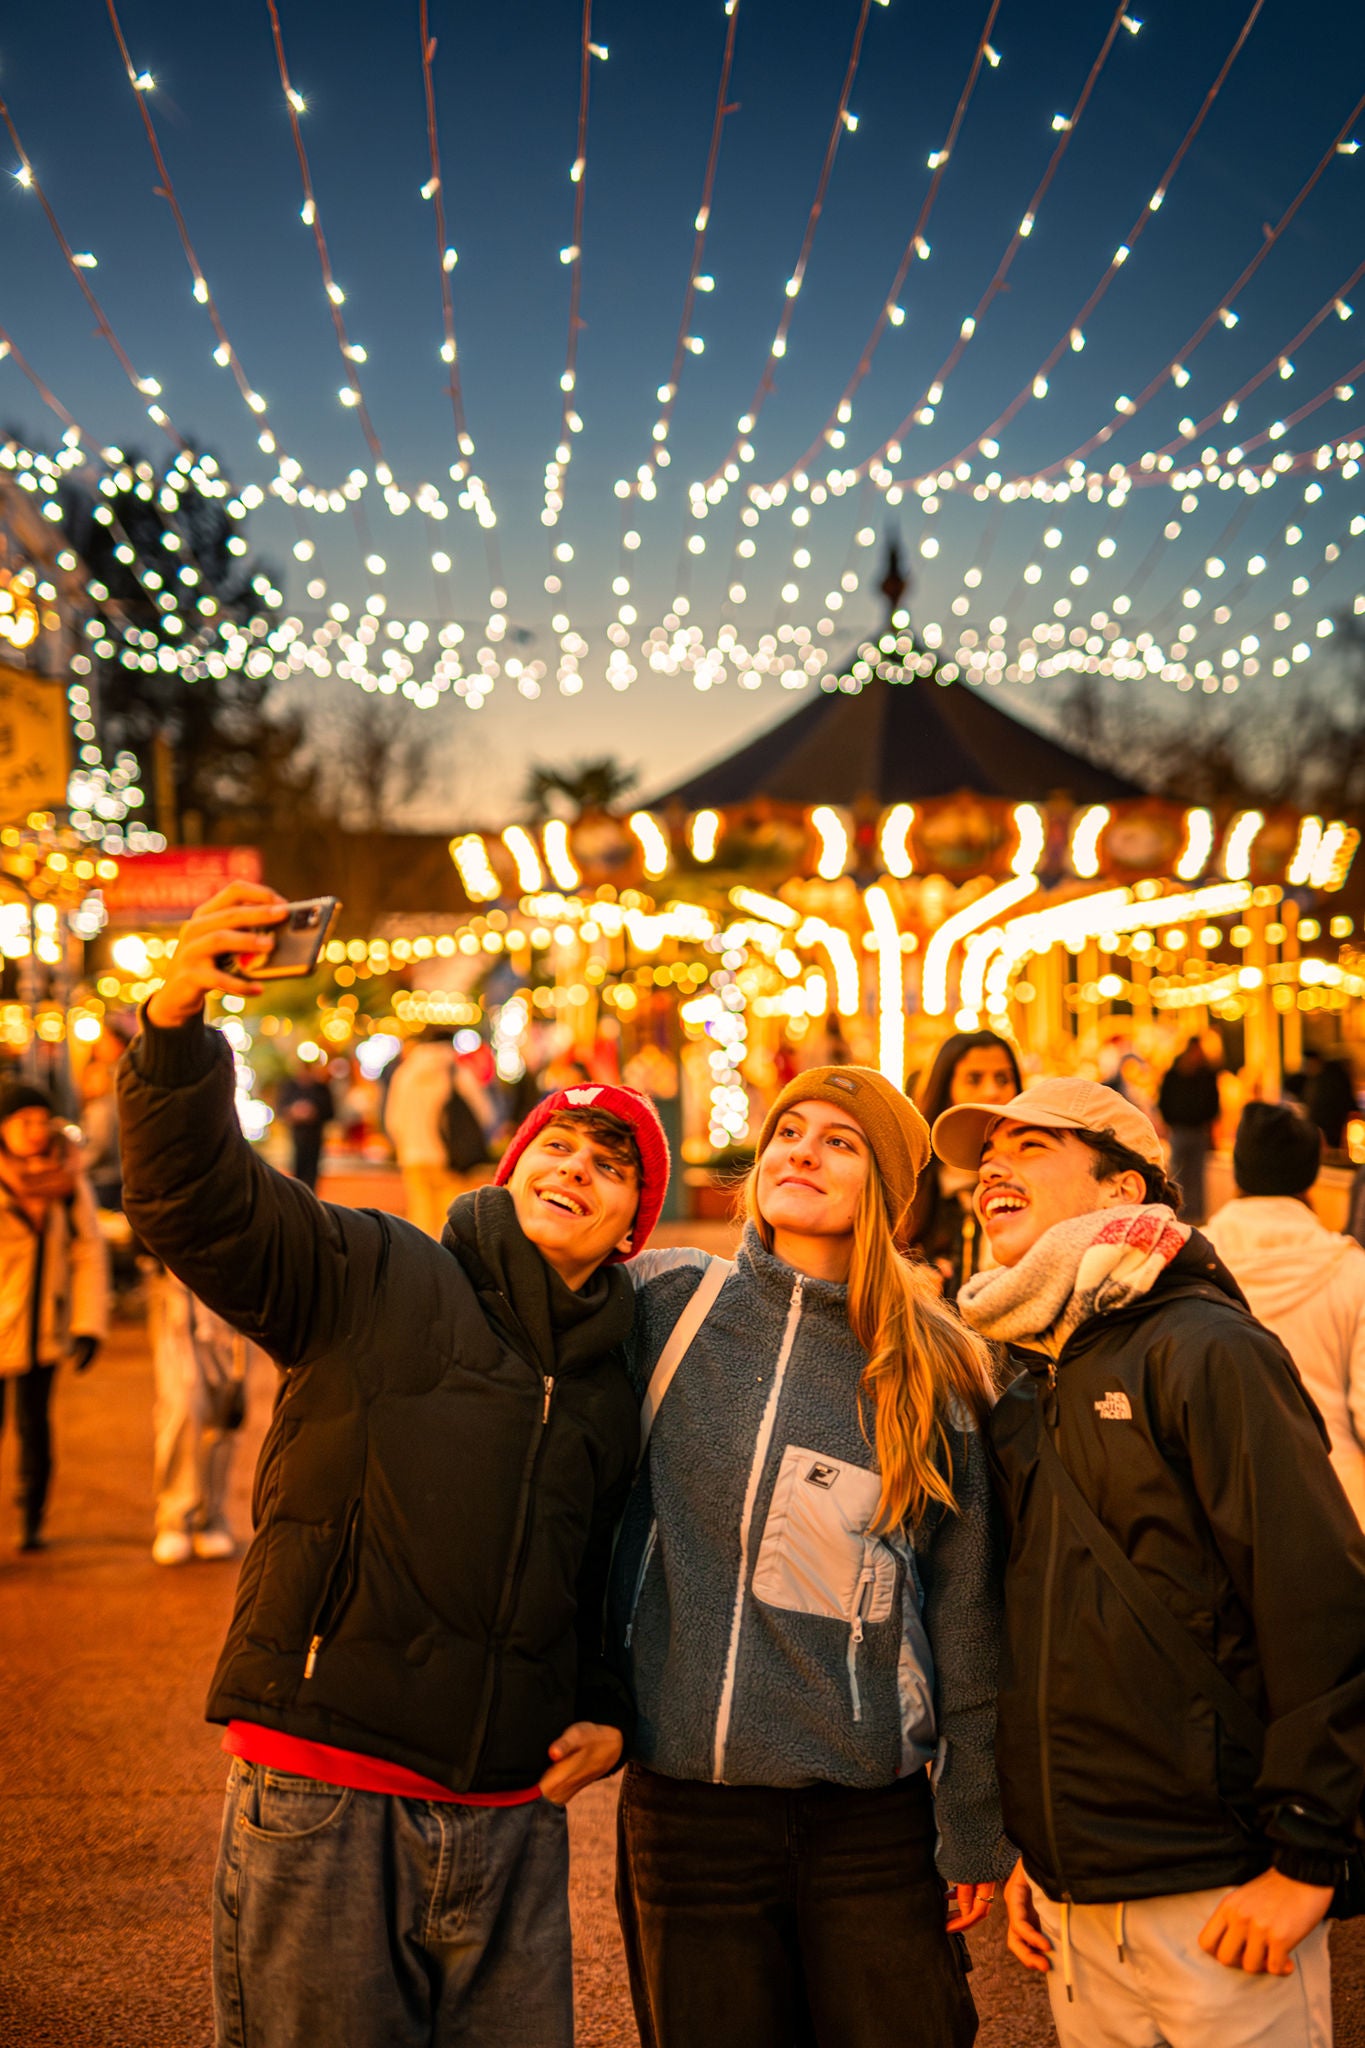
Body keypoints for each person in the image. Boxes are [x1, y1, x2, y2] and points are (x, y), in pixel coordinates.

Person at [117, 881, 671, 2048]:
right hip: (325, 1781)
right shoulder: (372, 1266)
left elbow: (595, 1579)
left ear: (633, 1223)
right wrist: (172, 1022)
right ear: (514, 1166)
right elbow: (192, 1204)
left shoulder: (617, 1385)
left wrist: (605, 1709)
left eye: (611, 1163)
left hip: (510, 1812)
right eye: (557, 1142)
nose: (576, 1163)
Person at [930, 1077, 1365, 2048]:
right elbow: (1031, 1637)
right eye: (987, 1153)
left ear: (1122, 1185)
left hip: (1221, 1891)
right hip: (1079, 1898)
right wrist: (1039, 1856)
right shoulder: (1028, 1377)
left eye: (1032, 1144)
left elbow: (1319, 1597)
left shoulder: (1204, 1345)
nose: (993, 1165)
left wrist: (1307, 1858)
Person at [612, 1066, 1014, 2048]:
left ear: (886, 1187)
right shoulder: (668, 1301)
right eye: (789, 1129)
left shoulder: (942, 1364)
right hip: (688, 1810)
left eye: (839, 1140)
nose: (801, 1148)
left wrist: (971, 1815)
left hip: (870, 1821)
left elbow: (966, 1608)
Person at [1205, 1102, 1365, 1529]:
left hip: (1221, 1508)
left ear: (1239, 1170)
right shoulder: (1351, 1269)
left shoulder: (1191, 1265)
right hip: (1339, 1505)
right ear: (1310, 1176)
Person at [0, 1081, 109, 1552]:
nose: (34, 1131)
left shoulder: (68, 1177)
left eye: (40, 1121)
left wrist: (88, 1325)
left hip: (43, 1323)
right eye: (22, 1122)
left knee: (35, 1425)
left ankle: (31, 1518)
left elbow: (88, 1250)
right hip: (3, 1319)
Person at [148, 1264, 252, 1564]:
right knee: (182, 1405)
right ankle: (175, 1517)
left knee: (225, 1412)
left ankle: (212, 1515)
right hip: (177, 1292)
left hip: (233, 1292)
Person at [907, 1030, 1022, 1299]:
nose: (992, 1091)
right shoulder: (912, 1180)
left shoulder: (1036, 1177)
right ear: (946, 1089)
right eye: (974, 1079)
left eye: (1003, 1078)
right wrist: (906, 1278)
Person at [383, 1027, 494, 1236]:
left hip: (413, 1155)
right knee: (450, 1213)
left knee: (420, 1213)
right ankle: (446, 1261)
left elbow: (393, 1119)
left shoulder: (405, 1074)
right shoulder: (457, 1073)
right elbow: (484, 1113)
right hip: (450, 1156)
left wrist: (404, 1143)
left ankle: (422, 1259)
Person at [1157, 1037, 1222, 1223]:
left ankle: (1195, 1214)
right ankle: (1180, 1212)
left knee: (1195, 1175)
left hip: (1196, 1130)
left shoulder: (1205, 1075)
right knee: (1179, 1173)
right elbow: (1165, 1101)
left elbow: (1213, 1103)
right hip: (1181, 1129)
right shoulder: (1176, 1075)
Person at [275, 1056, 335, 1192]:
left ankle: (311, 1194)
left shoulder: (321, 1089)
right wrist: (294, 1112)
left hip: (315, 1134)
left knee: (313, 1167)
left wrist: (314, 1112)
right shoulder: (290, 1087)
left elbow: (330, 1112)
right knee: (297, 1165)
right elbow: (281, 1108)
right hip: (297, 1134)